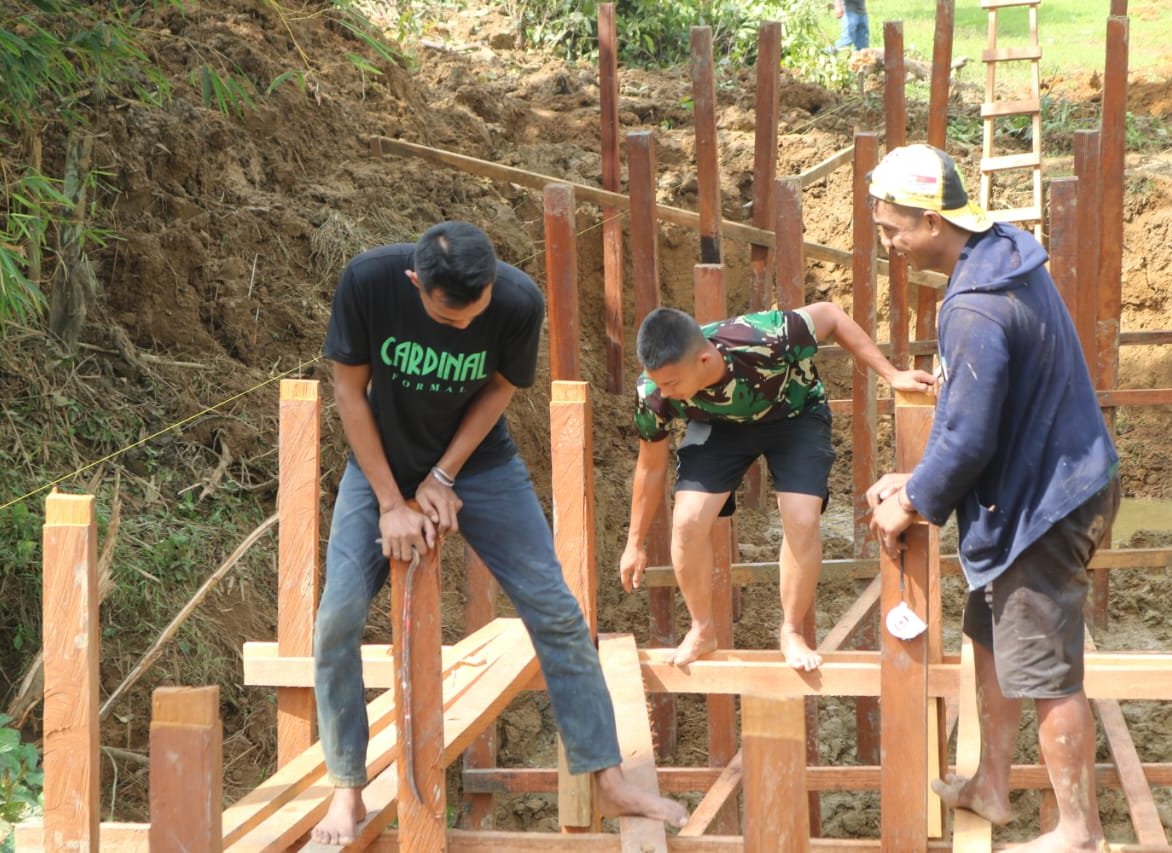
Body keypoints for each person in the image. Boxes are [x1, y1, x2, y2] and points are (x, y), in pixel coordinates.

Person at [311, 221, 689, 844]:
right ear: (415, 280)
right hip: (380, 463)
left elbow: (499, 390)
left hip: (481, 465)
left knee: (556, 609)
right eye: (447, 317)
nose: (464, 327)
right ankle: (346, 788)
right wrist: (391, 503)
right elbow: (350, 394)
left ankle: (608, 776)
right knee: (337, 617)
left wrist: (443, 475)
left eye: (474, 313)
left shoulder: (517, 300)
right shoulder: (369, 282)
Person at [863, 144, 1120, 852]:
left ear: (933, 221)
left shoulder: (974, 307)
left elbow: (971, 437)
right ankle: (992, 785)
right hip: (1049, 482)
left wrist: (911, 502)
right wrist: (917, 480)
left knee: (1047, 668)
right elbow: (973, 408)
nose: (888, 244)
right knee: (990, 634)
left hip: (1045, 505)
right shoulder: (1001, 253)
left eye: (893, 229)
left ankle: (1079, 830)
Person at [619, 303, 935, 672]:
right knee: (687, 521)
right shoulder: (653, 392)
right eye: (658, 382)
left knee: (802, 518)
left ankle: (791, 631)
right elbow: (650, 466)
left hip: (795, 415)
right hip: (718, 428)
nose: (664, 392)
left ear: (704, 360)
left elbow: (831, 316)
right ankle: (702, 630)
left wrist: (892, 375)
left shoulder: (764, 336)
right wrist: (634, 543)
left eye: (672, 383)